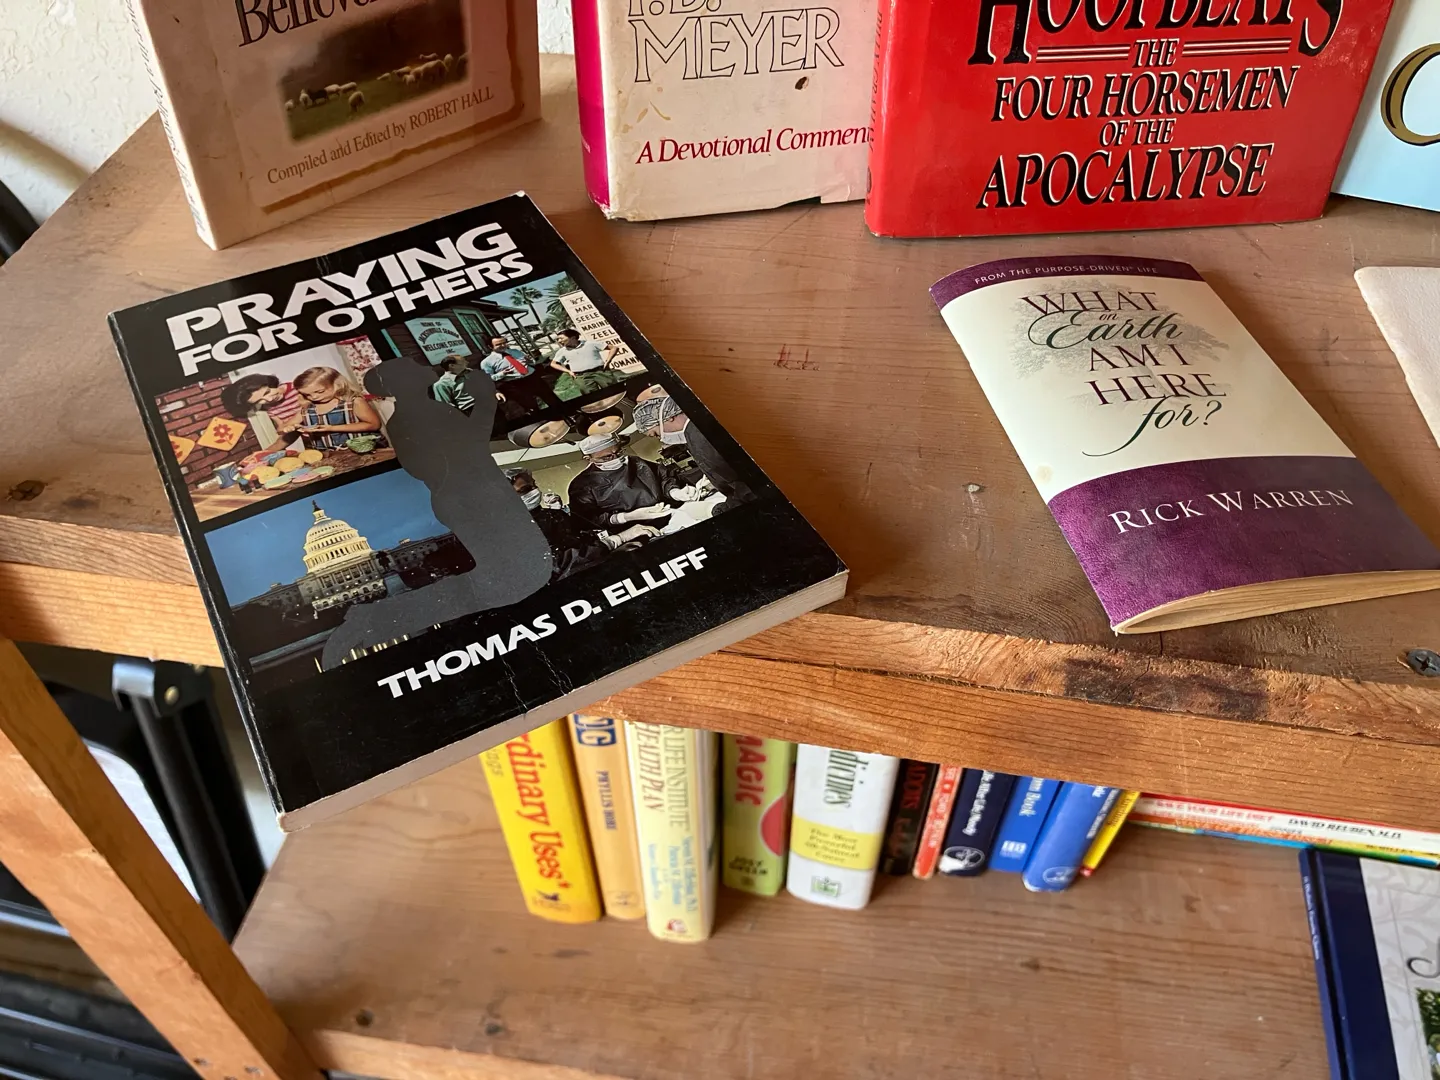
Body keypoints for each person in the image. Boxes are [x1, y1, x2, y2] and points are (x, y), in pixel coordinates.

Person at [508, 469, 658, 580]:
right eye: (525, 490)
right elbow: (558, 564)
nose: (535, 491)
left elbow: (579, 538)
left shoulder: (549, 515)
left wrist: (613, 546)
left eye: (534, 485)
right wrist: (617, 540)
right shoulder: (513, 533)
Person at [632, 391, 756, 508]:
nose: (661, 439)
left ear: (668, 417)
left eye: (656, 434)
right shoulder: (697, 429)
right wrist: (713, 481)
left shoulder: (700, 438)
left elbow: (747, 486)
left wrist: (725, 507)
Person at [566, 433, 705, 534]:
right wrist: (626, 517)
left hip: (671, 514)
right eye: (607, 457)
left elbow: (664, 477)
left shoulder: (635, 462)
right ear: (588, 458)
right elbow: (587, 520)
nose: (616, 458)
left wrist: (675, 492)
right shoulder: (581, 485)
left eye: (618, 452)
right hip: (636, 532)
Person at [291, 366, 384, 451]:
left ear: (336, 384)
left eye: (320, 391)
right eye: (307, 395)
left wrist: (332, 428)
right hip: (329, 456)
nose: (314, 397)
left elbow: (374, 425)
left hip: (362, 451)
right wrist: (290, 427)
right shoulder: (308, 409)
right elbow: (287, 426)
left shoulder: (353, 402)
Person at [481, 336, 556, 416]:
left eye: (504, 343)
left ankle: (563, 415)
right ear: (490, 347)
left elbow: (531, 362)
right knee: (531, 406)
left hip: (532, 378)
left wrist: (530, 361)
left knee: (551, 399)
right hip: (515, 384)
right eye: (499, 344)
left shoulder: (515, 351)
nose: (503, 345)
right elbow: (488, 379)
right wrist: (502, 374)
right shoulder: (486, 362)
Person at [550, 328, 624, 401]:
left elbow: (614, 348)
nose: (559, 341)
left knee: (615, 393)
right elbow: (553, 364)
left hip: (601, 372)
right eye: (558, 339)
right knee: (593, 399)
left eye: (561, 338)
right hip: (581, 377)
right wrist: (568, 371)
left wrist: (608, 361)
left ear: (572, 337)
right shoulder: (562, 351)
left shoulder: (590, 344)